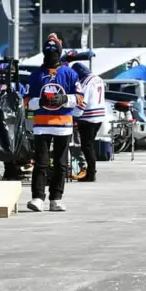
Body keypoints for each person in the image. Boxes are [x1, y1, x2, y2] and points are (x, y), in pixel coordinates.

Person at [25, 33, 83, 212]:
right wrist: (39, 102)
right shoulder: (36, 75)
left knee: (60, 163)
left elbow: (80, 98)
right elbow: (26, 100)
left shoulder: (70, 74)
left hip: (63, 126)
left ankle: (56, 198)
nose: (51, 53)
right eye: (48, 50)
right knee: (40, 162)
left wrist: (65, 99)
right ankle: (37, 198)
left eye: (54, 50)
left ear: (60, 52)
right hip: (41, 126)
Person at [70, 62, 105, 182]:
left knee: (87, 146)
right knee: (89, 145)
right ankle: (90, 171)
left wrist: (73, 115)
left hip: (88, 117)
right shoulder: (98, 78)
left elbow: (82, 102)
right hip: (99, 116)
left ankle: (91, 173)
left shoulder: (85, 82)